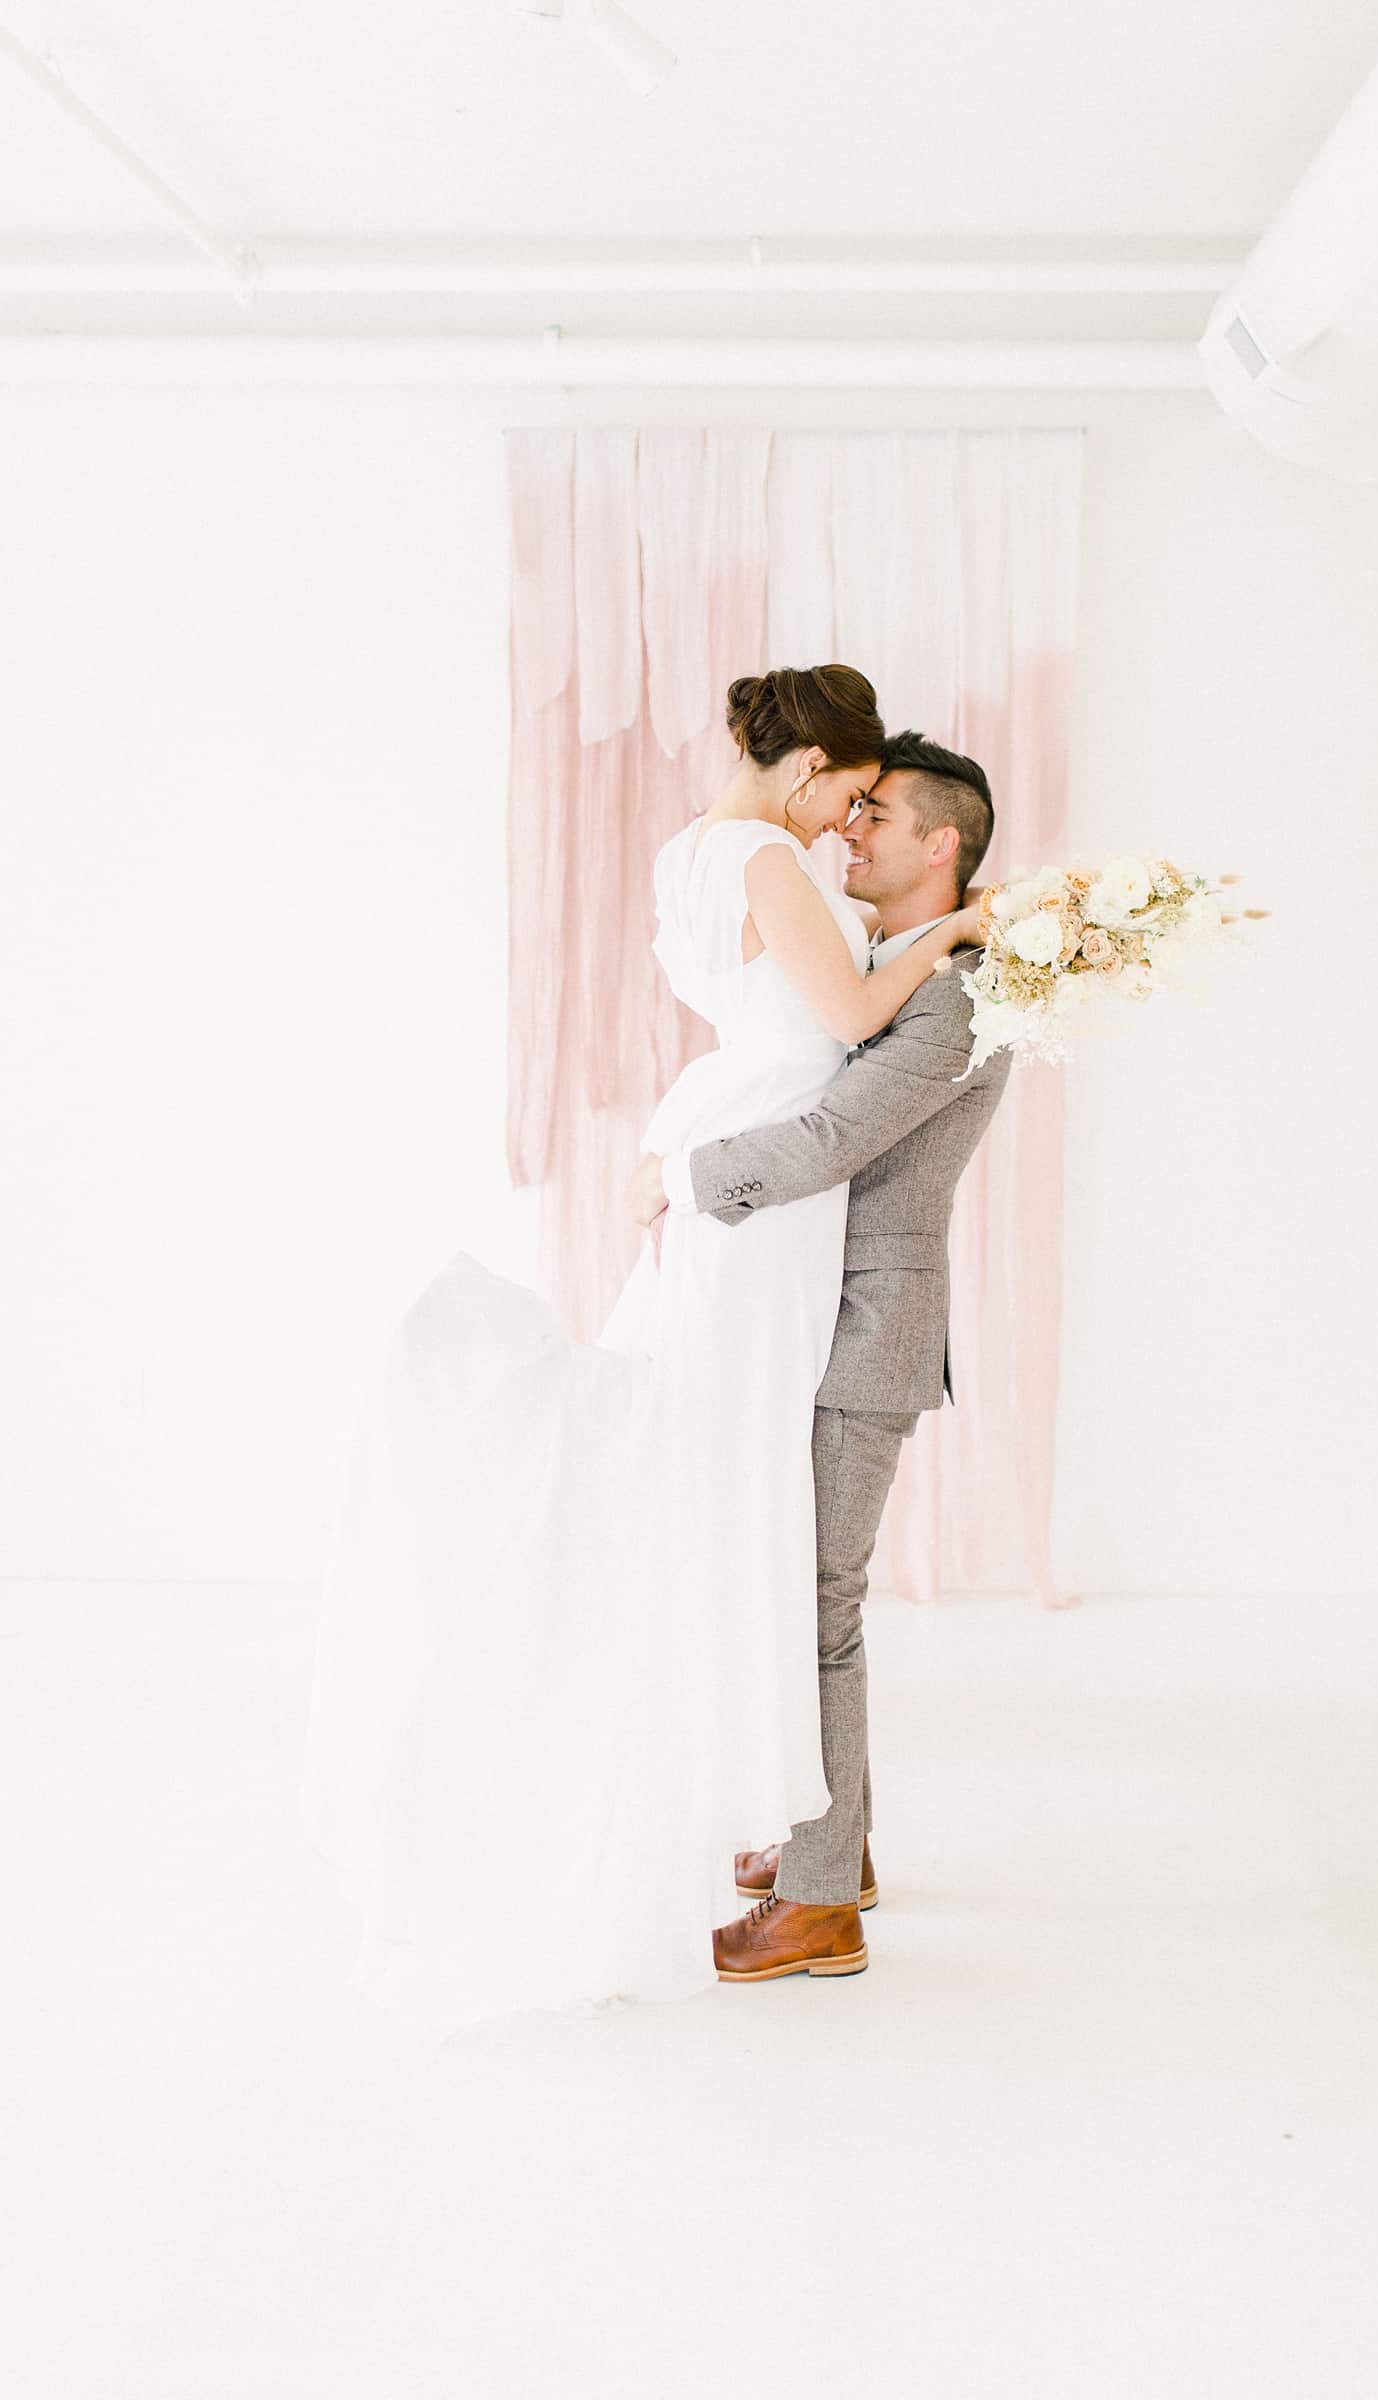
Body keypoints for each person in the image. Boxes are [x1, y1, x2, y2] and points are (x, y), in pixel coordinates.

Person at [299, 665, 986, 2030]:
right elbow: (848, 1029)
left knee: (739, 1479)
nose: (849, 829)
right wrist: (958, 928)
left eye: (867, 811)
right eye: (848, 797)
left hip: (746, 1152)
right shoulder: (771, 860)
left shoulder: (700, 855)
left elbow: (818, 1037)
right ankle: (800, 1839)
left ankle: (801, 1832)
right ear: (806, 774)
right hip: (762, 1182)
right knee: (739, 1476)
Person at [629, 731, 1012, 1984]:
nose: (849, 832)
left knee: (814, 1604)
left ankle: (815, 1907)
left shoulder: (960, 991)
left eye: (878, 817)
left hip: (864, 1326)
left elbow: (835, 1135)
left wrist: (677, 1180)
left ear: (939, 845)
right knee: (804, 1590)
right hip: (814, 1310)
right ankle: (830, 1852)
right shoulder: (906, 963)